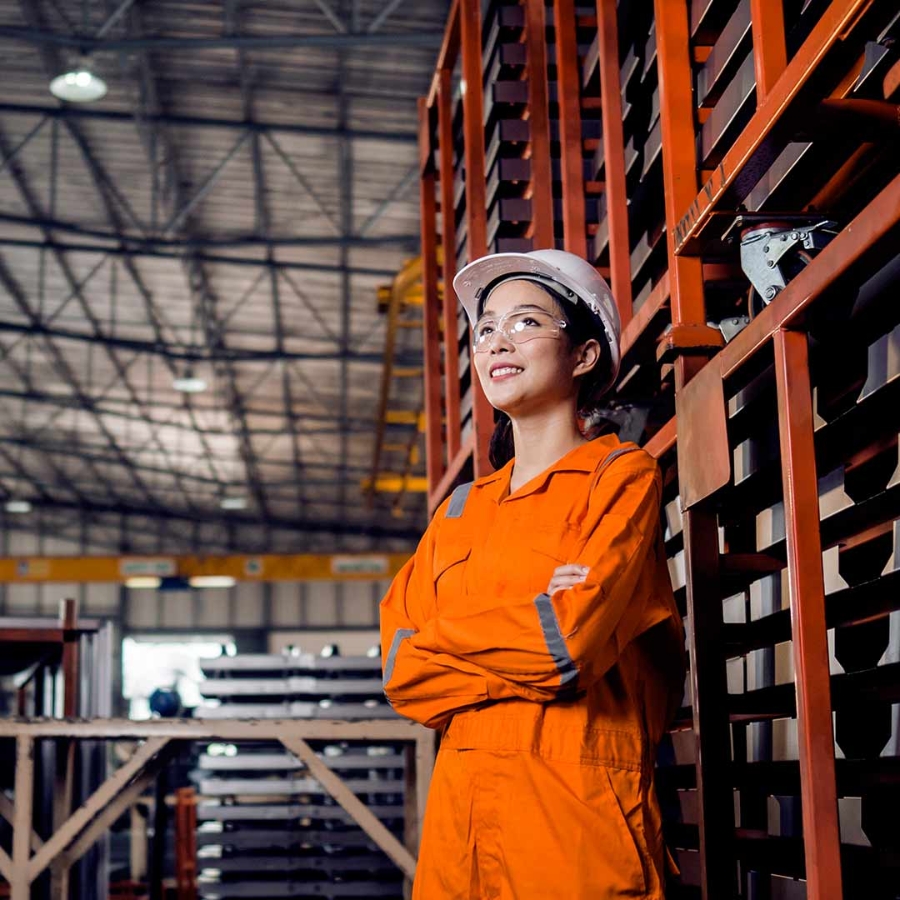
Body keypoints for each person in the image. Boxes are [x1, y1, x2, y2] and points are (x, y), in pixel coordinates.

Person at [380, 249, 686, 899]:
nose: (498, 342)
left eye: (525, 323)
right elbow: (401, 669)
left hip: (574, 832)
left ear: (583, 356)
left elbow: (565, 645)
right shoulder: (459, 511)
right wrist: (530, 618)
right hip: (459, 841)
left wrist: (451, 635)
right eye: (487, 328)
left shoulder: (619, 480)